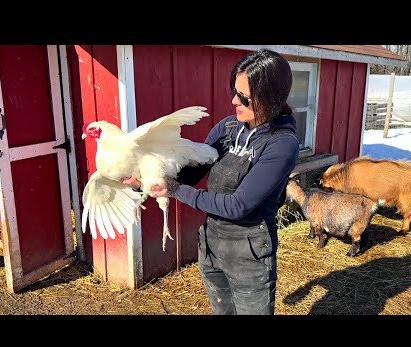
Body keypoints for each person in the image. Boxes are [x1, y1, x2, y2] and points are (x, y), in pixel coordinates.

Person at [128, 49, 299, 315]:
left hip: (250, 251)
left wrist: (175, 190)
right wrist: (146, 180)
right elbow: (193, 172)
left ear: (270, 98)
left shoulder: (281, 144)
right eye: (234, 91)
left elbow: (238, 205)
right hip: (212, 242)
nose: (233, 101)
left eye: (243, 97)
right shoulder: (227, 128)